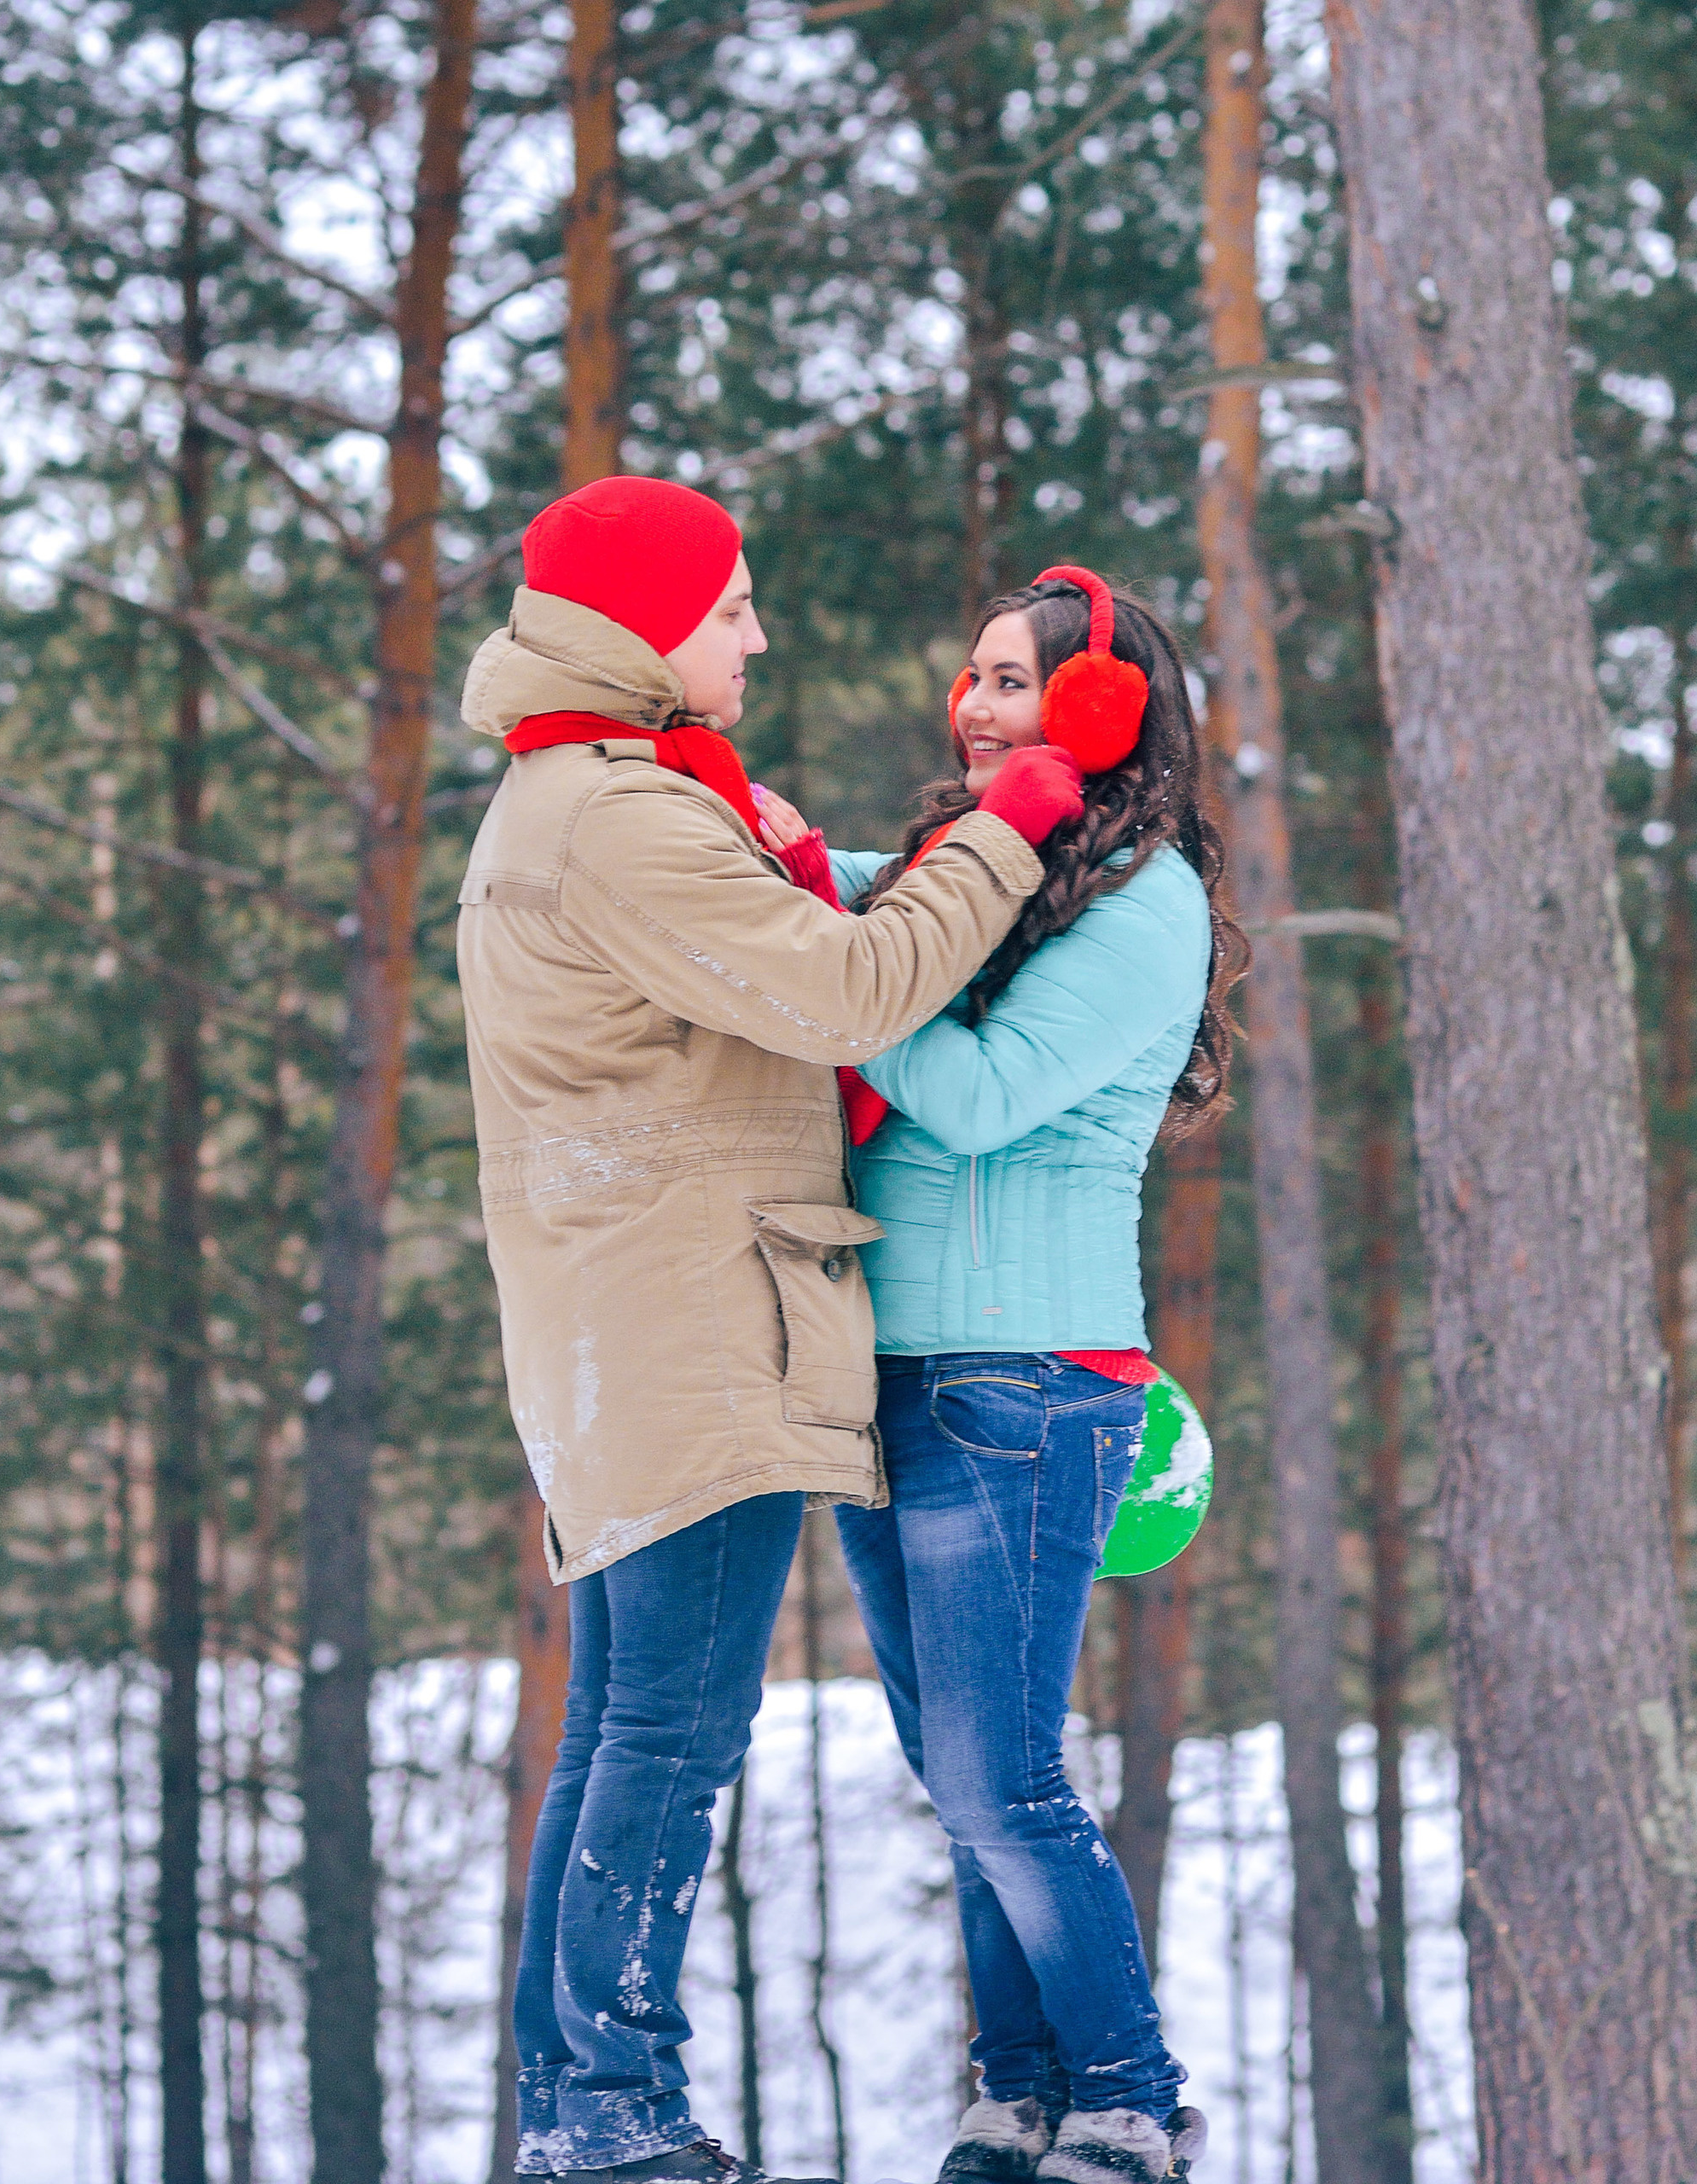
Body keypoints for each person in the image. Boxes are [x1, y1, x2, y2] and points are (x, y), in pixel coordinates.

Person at [455, 476, 1088, 2184]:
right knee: (665, 1729)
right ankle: (614, 2110)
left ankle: (576, 2102)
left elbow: (777, 953)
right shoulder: (621, 817)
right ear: (648, 623)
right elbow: (849, 988)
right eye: (730, 603)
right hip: (684, 1323)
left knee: (619, 1723)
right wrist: (1010, 825)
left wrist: (842, 862)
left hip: (634, 1316)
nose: (755, 631)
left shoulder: (597, 795)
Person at [754, 571, 1246, 2184]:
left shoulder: (1142, 901)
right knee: (957, 1777)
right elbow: (843, 883)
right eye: (968, 676)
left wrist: (843, 973)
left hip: (1026, 1377)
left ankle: (1126, 2097)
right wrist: (777, 850)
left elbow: (972, 1093)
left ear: (1100, 713)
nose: (973, 705)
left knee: (1000, 1773)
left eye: (1013, 684)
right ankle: (1015, 2094)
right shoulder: (996, 868)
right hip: (894, 1373)